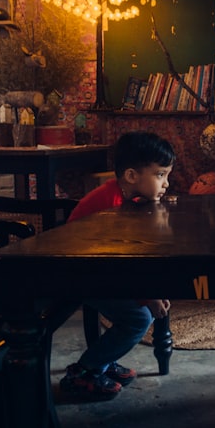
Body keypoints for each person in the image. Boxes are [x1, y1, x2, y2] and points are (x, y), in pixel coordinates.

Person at [59, 131, 176, 400]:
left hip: (98, 269)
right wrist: (148, 296)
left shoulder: (125, 196)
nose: (166, 183)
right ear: (132, 176)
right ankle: (84, 370)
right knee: (138, 318)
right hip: (78, 273)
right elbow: (124, 262)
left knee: (139, 312)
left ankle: (103, 361)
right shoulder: (109, 205)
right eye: (160, 175)